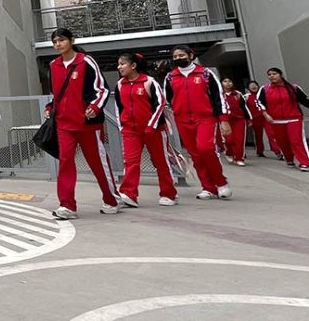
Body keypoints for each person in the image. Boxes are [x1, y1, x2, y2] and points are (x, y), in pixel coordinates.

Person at [44, 28, 119, 220]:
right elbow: (56, 93)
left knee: (98, 163)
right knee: (66, 163)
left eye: (61, 40)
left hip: (87, 124)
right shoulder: (53, 65)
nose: (58, 44)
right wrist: (50, 107)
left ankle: (111, 199)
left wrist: (94, 107)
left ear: (71, 40)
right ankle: (67, 205)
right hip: (63, 124)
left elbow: (102, 89)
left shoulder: (86, 61)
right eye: (54, 42)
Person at [165, 45, 232, 200]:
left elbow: (218, 98)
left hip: (205, 118)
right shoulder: (170, 77)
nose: (178, 59)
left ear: (190, 55)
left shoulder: (206, 74)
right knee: (195, 155)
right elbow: (167, 100)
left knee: (206, 148)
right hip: (182, 120)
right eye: (175, 56)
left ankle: (221, 182)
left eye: (181, 55)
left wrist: (223, 120)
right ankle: (208, 187)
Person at [112, 52, 178, 208]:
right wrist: (122, 126)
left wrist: (151, 125)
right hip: (130, 130)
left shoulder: (149, 82)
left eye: (122, 64)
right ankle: (129, 194)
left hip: (154, 130)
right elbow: (118, 108)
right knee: (130, 162)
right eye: (119, 64)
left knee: (160, 161)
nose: (119, 67)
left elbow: (160, 103)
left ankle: (169, 193)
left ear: (133, 66)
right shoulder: (120, 84)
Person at [257, 67, 309, 172]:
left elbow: (306, 101)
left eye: (274, 74)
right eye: (269, 74)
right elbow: (259, 103)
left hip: (294, 119)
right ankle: (289, 159)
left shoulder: (293, 88)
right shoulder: (264, 89)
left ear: (281, 75)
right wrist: (265, 114)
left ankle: (304, 163)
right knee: (282, 142)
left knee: (296, 141)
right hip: (276, 121)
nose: (272, 76)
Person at [245, 80, 281, 159]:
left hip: (265, 117)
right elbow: (245, 109)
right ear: (248, 88)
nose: (253, 87)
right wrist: (249, 120)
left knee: (271, 134)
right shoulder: (247, 97)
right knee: (258, 135)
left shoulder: (263, 94)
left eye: (255, 85)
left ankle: (277, 151)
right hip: (255, 119)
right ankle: (260, 151)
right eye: (251, 86)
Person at [221, 78, 251, 166]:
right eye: (225, 81)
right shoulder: (219, 94)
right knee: (228, 139)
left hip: (239, 120)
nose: (228, 83)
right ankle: (229, 153)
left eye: (230, 81)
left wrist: (249, 118)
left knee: (240, 139)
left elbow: (244, 107)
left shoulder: (237, 94)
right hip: (225, 120)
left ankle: (239, 158)